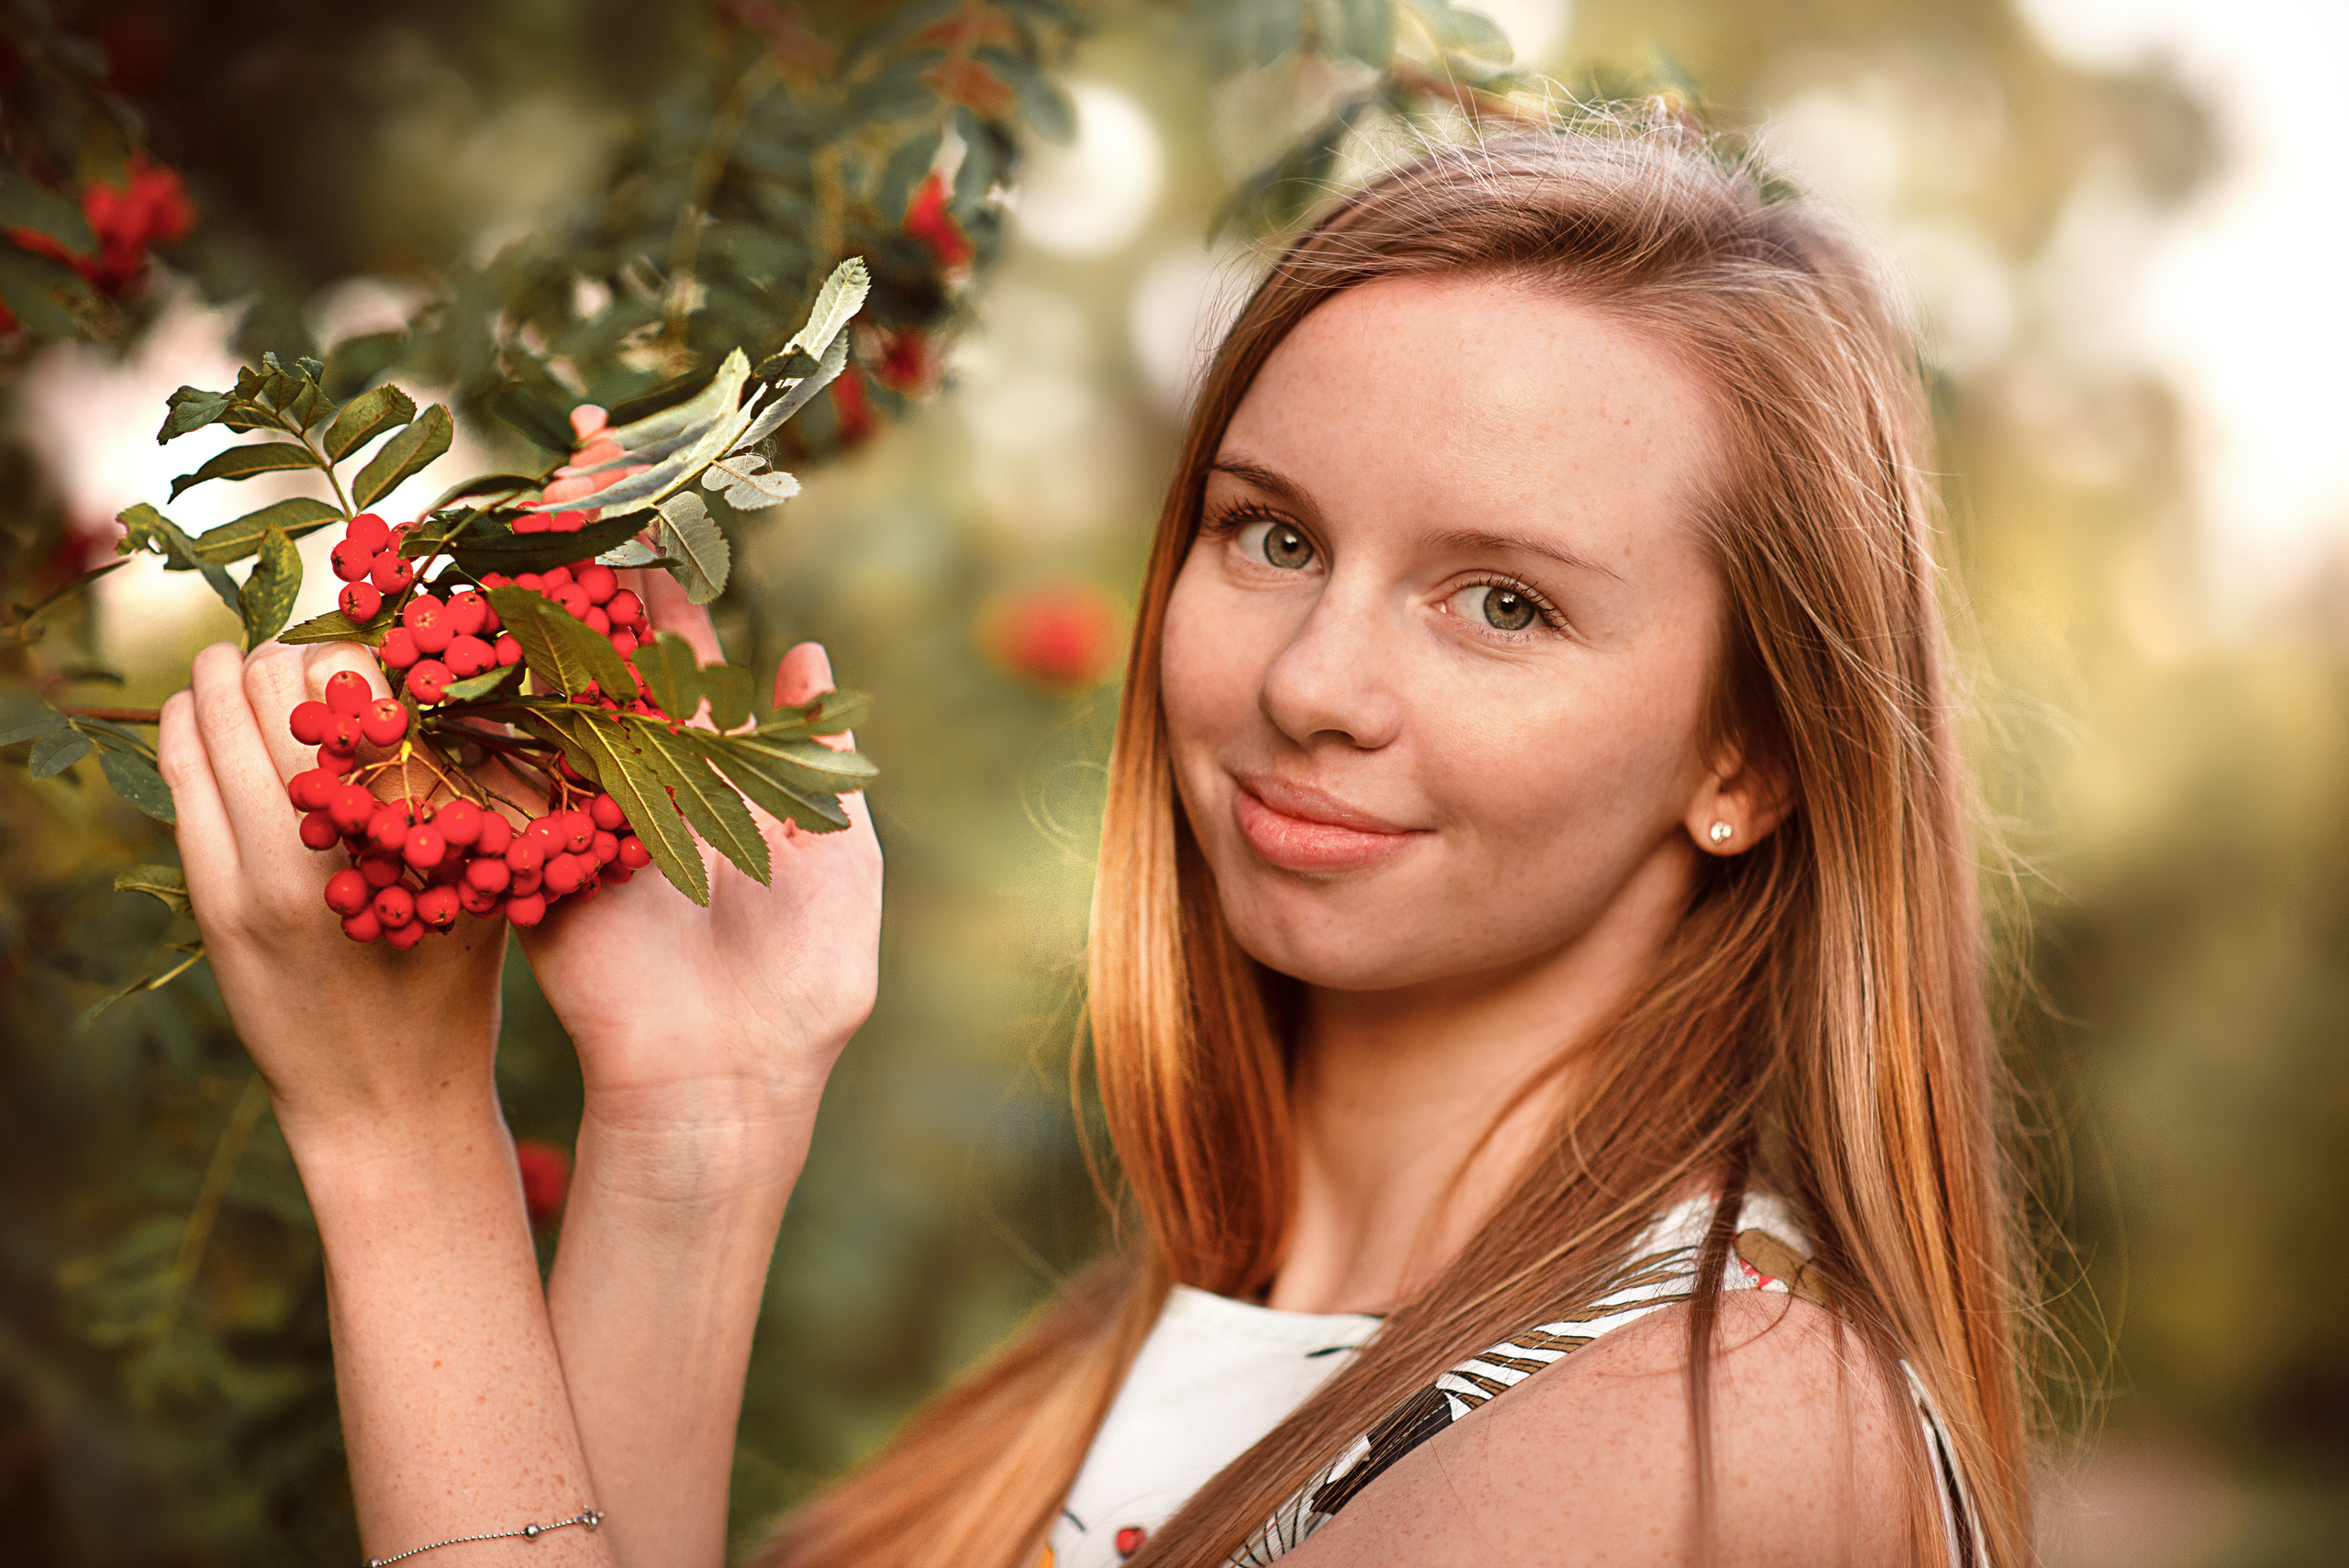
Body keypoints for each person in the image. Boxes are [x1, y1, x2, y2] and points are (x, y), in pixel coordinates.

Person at [160, 118, 2032, 1568]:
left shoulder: (1712, 1411)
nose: (1312, 683)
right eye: (1272, 535)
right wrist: (696, 1118)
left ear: (1752, 756)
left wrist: (402, 1155)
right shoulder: (1159, 1357)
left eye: (1503, 605)